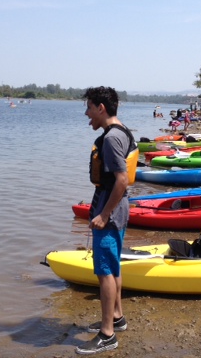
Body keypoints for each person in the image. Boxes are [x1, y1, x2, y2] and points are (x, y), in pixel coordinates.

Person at [79, 86, 138, 355]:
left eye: (89, 108)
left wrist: (103, 215)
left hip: (111, 211)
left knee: (104, 271)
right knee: (113, 267)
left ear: (101, 108)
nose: (87, 113)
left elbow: (122, 180)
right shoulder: (122, 131)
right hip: (118, 208)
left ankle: (107, 334)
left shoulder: (112, 138)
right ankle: (117, 317)